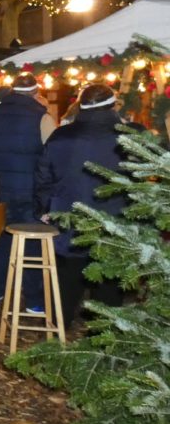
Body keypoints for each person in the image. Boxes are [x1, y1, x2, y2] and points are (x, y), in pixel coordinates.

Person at [34, 84, 128, 326]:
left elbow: (43, 177)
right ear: (112, 106)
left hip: (70, 220)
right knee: (108, 288)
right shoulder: (128, 137)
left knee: (65, 284)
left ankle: (58, 335)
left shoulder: (60, 136)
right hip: (114, 223)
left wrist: (46, 208)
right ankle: (104, 341)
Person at [0, 73, 57, 309]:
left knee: (0, 240)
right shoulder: (43, 118)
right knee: (31, 243)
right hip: (31, 192)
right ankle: (33, 300)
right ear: (35, 92)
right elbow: (52, 158)